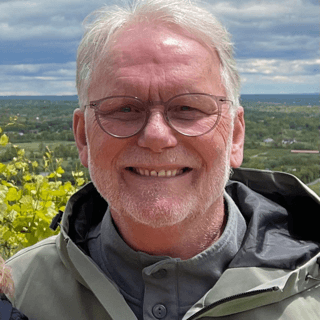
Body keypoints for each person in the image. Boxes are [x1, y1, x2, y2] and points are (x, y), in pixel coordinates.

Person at [6, 0, 320, 319]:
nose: (156, 136)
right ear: (84, 136)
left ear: (236, 135)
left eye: (188, 107)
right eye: (124, 108)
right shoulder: (17, 294)